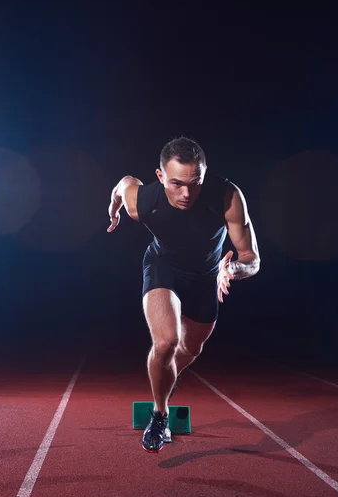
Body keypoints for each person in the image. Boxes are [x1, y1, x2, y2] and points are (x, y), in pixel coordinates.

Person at [107, 136, 260, 452]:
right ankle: (160, 415)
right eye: (176, 183)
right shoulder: (146, 201)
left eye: (195, 183)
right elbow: (125, 184)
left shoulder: (227, 197)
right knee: (166, 342)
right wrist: (114, 204)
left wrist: (233, 270)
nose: (187, 194)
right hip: (164, 266)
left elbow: (251, 258)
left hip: (206, 277)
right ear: (161, 176)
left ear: (205, 176)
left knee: (190, 349)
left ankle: (163, 378)